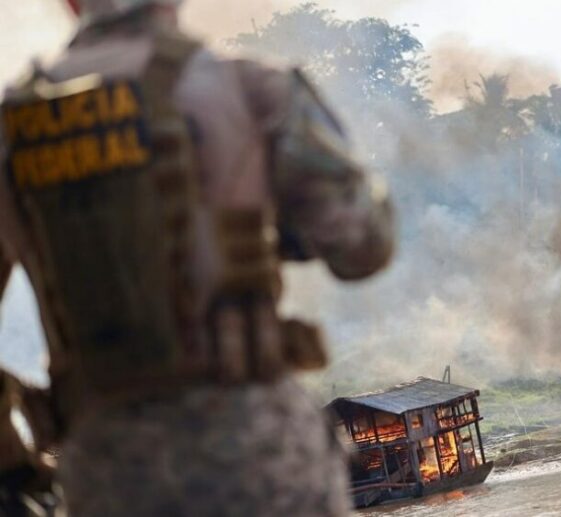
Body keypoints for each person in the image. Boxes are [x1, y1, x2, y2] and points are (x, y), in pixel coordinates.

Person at [0, 0, 395, 515]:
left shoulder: (14, 130)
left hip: (108, 475)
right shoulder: (252, 89)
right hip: (265, 464)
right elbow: (362, 249)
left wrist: (15, 465)